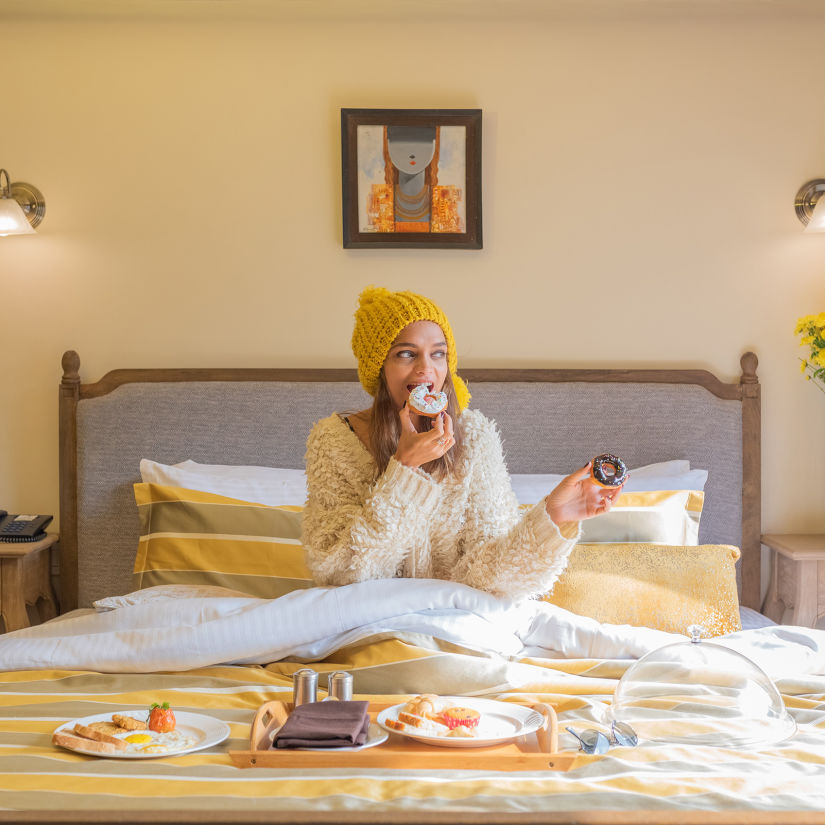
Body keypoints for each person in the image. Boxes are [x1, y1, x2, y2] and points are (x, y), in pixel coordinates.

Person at [302, 286, 624, 600]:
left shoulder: (474, 437)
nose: (426, 368)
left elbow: (489, 573)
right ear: (379, 367)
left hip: (456, 621)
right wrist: (403, 472)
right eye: (406, 353)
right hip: (366, 626)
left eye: (438, 354)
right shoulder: (334, 441)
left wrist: (553, 518)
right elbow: (338, 573)